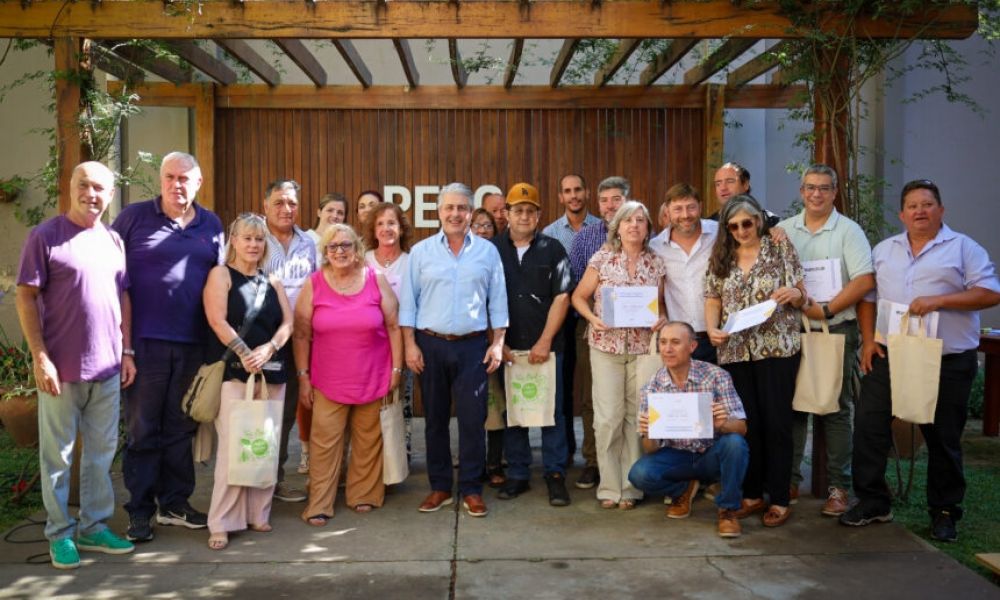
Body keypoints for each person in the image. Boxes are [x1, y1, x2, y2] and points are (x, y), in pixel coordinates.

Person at [842, 179, 1000, 542]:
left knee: (942, 437)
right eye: (912, 206)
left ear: (941, 210)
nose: (920, 211)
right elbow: (868, 297)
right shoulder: (884, 250)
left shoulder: (963, 248)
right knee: (868, 424)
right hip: (891, 354)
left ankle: (944, 511)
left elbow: (990, 292)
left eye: (927, 204)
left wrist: (939, 301)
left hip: (946, 359)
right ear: (902, 214)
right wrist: (868, 341)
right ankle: (873, 501)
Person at [16, 161, 136, 569]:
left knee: (101, 455)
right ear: (70, 187)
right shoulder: (45, 236)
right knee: (58, 457)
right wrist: (39, 357)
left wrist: (127, 351)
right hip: (60, 370)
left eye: (100, 187)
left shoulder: (114, 241)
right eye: (84, 184)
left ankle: (93, 527)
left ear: (111, 193)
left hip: (105, 367)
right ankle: (59, 533)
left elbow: (123, 299)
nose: (92, 194)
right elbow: (26, 297)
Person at [112, 151, 224, 542]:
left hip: (193, 344)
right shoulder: (132, 219)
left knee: (180, 427)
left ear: (199, 183)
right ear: (160, 181)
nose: (177, 184)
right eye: (170, 177)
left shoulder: (211, 225)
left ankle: (175, 503)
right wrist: (124, 347)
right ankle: (140, 510)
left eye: (185, 178)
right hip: (144, 345)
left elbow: (222, 280)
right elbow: (112, 282)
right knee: (143, 429)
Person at [400, 183, 509, 518]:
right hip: (430, 345)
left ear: (470, 212)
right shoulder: (421, 252)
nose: (455, 214)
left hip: (472, 347)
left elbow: (498, 300)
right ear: (439, 211)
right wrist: (410, 345)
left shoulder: (487, 252)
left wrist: (498, 342)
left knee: (473, 421)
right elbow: (409, 302)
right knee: (433, 419)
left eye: (461, 208)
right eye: (449, 208)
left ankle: (472, 489)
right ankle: (441, 487)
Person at [777, 165, 874, 516]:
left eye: (824, 188)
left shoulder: (848, 231)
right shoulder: (783, 230)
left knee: (834, 409)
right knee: (793, 407)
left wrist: (828, 309)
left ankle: (838, 487)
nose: (816, 194)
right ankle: (788, 481)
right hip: (791, 330)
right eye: (810, 188)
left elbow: (864, 280)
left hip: (835, 327)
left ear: (835, 192)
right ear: (801, 192)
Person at [704, 195, 807, 528]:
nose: (741, 230)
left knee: (777, 423)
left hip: (776, 347)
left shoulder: (780, 248)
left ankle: (779, 497)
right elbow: (712, 296)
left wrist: (796, 295)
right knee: (748, 424)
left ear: (759, 221)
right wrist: (711, 328)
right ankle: (752, 494)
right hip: (735, 350)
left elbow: (801, 291)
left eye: (747, 223)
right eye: (733, 226)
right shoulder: (721, 255)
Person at [295, 224, 403, 524]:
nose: (340, 251)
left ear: (357, 249)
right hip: (328, 380)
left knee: (368, 441)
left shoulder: (376, 279)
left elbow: (394, 325)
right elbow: (301, 334)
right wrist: (303, 376)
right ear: (325, 253)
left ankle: (364, 494)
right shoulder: (313, 284)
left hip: (373, 375)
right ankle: (319, 502)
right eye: (333, 247)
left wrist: (397, 368)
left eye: (346, 245)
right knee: (324, 444)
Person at [203, 214, 293, 550]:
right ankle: (223, 521)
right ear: (234, 240)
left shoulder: (274, 279)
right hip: (235, 374)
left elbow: (288, 323)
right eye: (247, 238)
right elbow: (216, 319)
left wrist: (269, 348)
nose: (254, 244)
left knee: (262, 447)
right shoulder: (221, 274)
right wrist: (244, 353)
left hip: (271, 374)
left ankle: (258, 513)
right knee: (233, 449)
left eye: (259, 239)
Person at [571, 200, 667, 510]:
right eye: (628, 221)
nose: (634, 226)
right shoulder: (602, 259)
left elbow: (661, 305)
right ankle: (610, 487)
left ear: (647, 227)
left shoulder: (656, 263)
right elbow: (578, 297)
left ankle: (631, 487)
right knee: (608, 418)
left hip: (642, 350)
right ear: (618, 227)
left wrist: (662, 319)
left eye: (640, 220)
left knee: (634, 418)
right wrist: (592, 318)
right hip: (606, 348)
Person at [628, 322, 749, 538]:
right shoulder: (652, 387)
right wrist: (650, 433)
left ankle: (728, 510)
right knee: (639, 474)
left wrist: (723, 424)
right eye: (663, 342)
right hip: (676, 456)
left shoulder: (716, 376)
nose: (667, 349)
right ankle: (682, 489)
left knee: (734, 443)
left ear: (692, 346)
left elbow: (742, 428)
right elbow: (650, 449)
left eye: (675, 342)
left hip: (711, 454)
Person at [492, 182, 573, 506]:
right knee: (515, 412)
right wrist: (497, 343)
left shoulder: (554, 249)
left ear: (539, 214)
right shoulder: (491, 250)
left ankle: (555, 475)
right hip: (508, 347)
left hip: (549, 348)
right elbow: (483, 300)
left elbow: (563, 296)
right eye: (517, 210)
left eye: (530, 210)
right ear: (507, 214)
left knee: (553, 412)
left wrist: (544, 341)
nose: (524, 215)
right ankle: (519, 474)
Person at [566, 175, 628, 490]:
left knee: (630, 398)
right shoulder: (586, 239)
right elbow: (578, 285)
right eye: (604, 200)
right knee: (593, 397)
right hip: (594, 324)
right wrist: (597, 315)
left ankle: (629, 462)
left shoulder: (643, 232)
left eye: (616, 199)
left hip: (636, 330)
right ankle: (593, 461)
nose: (609, 205)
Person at [261, 179, 318, 503]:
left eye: (292, 203)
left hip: (300, 343)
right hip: (264, 343)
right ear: (266, 205)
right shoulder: (254, 238)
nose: (286, 209)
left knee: (285, 415)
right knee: (260, 412)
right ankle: (254, 481)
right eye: (280, 202)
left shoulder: (308, 243)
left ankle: (275, 480)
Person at [542, 174, 602, 468]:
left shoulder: (603, 228)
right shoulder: (550, 233)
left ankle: (594, 458)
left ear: (587, 192)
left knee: (593, 390)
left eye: (578, 189)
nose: (574, 195)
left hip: (593, 319)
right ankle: (564, 453)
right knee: (562, 389)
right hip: (562, 320)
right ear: (560, 197)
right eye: (568, 191)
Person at [363, 202, 415, 461]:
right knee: (370, 406)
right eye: (380, 223)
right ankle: (373, 459)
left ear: (401, 229)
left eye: (391, 223)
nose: (386, 228)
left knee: (399, 402)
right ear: (373, 230)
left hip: (401, 344)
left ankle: (398, 460)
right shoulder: (363, 260)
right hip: (368, 346)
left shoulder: (412, 261)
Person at [650, 183, 719, 364]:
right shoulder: (656, 247)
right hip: (680, 341)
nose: (685, 215)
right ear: (668, 212)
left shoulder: (719, 233)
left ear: (700, 207)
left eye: (691, 208)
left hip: (719, 335)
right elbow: (657, 295)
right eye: (678, 209)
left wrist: (775, 230)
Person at [469, 207, 506, 487]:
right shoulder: (462, 259)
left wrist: (498, 340)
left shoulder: (498, 256)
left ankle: (494, 462)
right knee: (472, 409)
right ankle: (472, 461)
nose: (482, 230)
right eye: (476, 226)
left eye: (487, 226)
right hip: (468, 345)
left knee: (495, 406)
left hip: (495, 343)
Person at [708, 163, 779, 227]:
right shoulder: (708, 225)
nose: (723, 188)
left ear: (745, 185)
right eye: (718, 184)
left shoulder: (769, 220)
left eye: (730, 181)